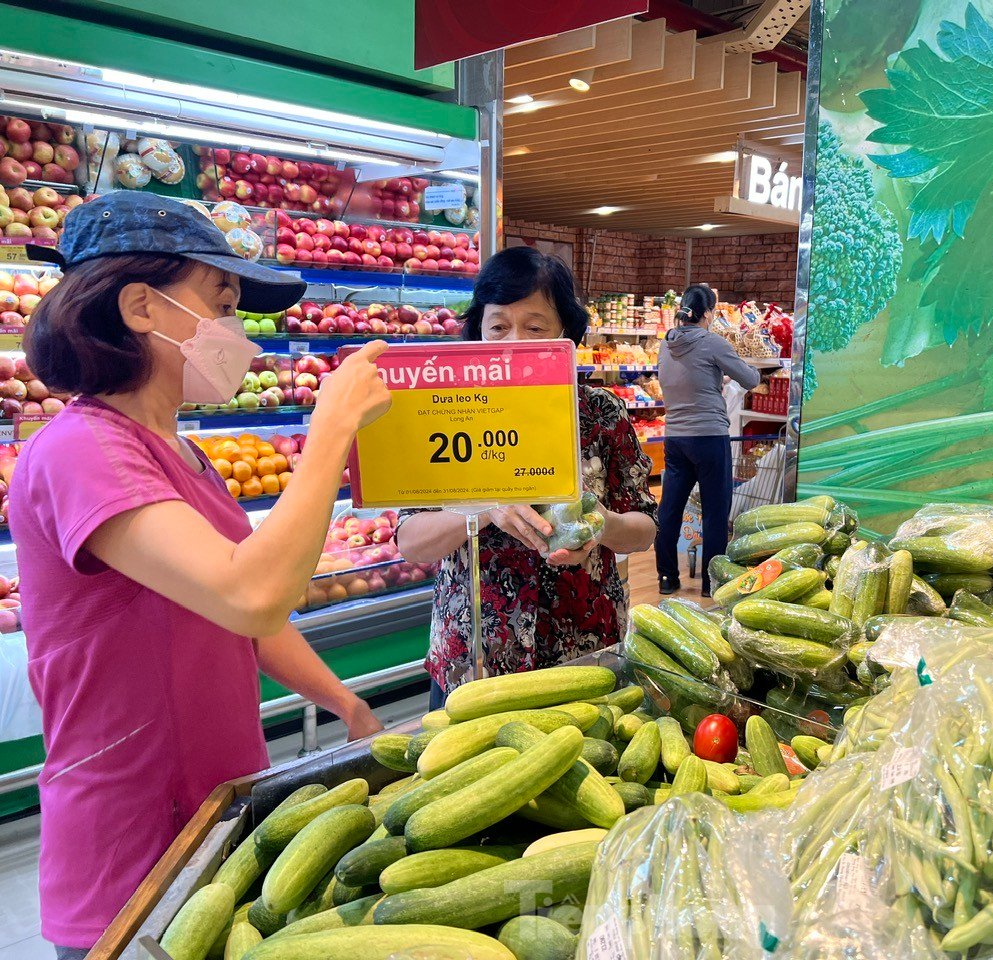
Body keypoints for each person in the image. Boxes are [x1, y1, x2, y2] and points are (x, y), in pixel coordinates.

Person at [9, 192, 391, 958]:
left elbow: (244, 617)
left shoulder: (179, 451)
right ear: (142, 307)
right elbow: (248, 594)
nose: (237, 331)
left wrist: (345, 703)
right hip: (131, 845)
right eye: (221, 304)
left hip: (214, 816)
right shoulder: (82, 449)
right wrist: (330, 432)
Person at [396, 246, 657, 702]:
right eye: (498, 326)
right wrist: (482, 511)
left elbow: (645, 529)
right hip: (473, 662)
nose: (514, 342)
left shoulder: (600, 414)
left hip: (583, 657)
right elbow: (411, 541)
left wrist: (601, 526)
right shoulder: (446, 414)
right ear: (478, 330)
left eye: (535, 327)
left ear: (566, 336)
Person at [655, 284, 760, 596]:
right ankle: (710, 583)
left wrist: (715, 376)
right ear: (707, 314)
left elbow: (684, 377)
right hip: (709, 436)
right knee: (715, 511)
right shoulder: (713, 343)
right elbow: (750, 379)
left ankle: (666, 578)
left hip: (675, 437)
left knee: (669, 509)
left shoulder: (666, 344)